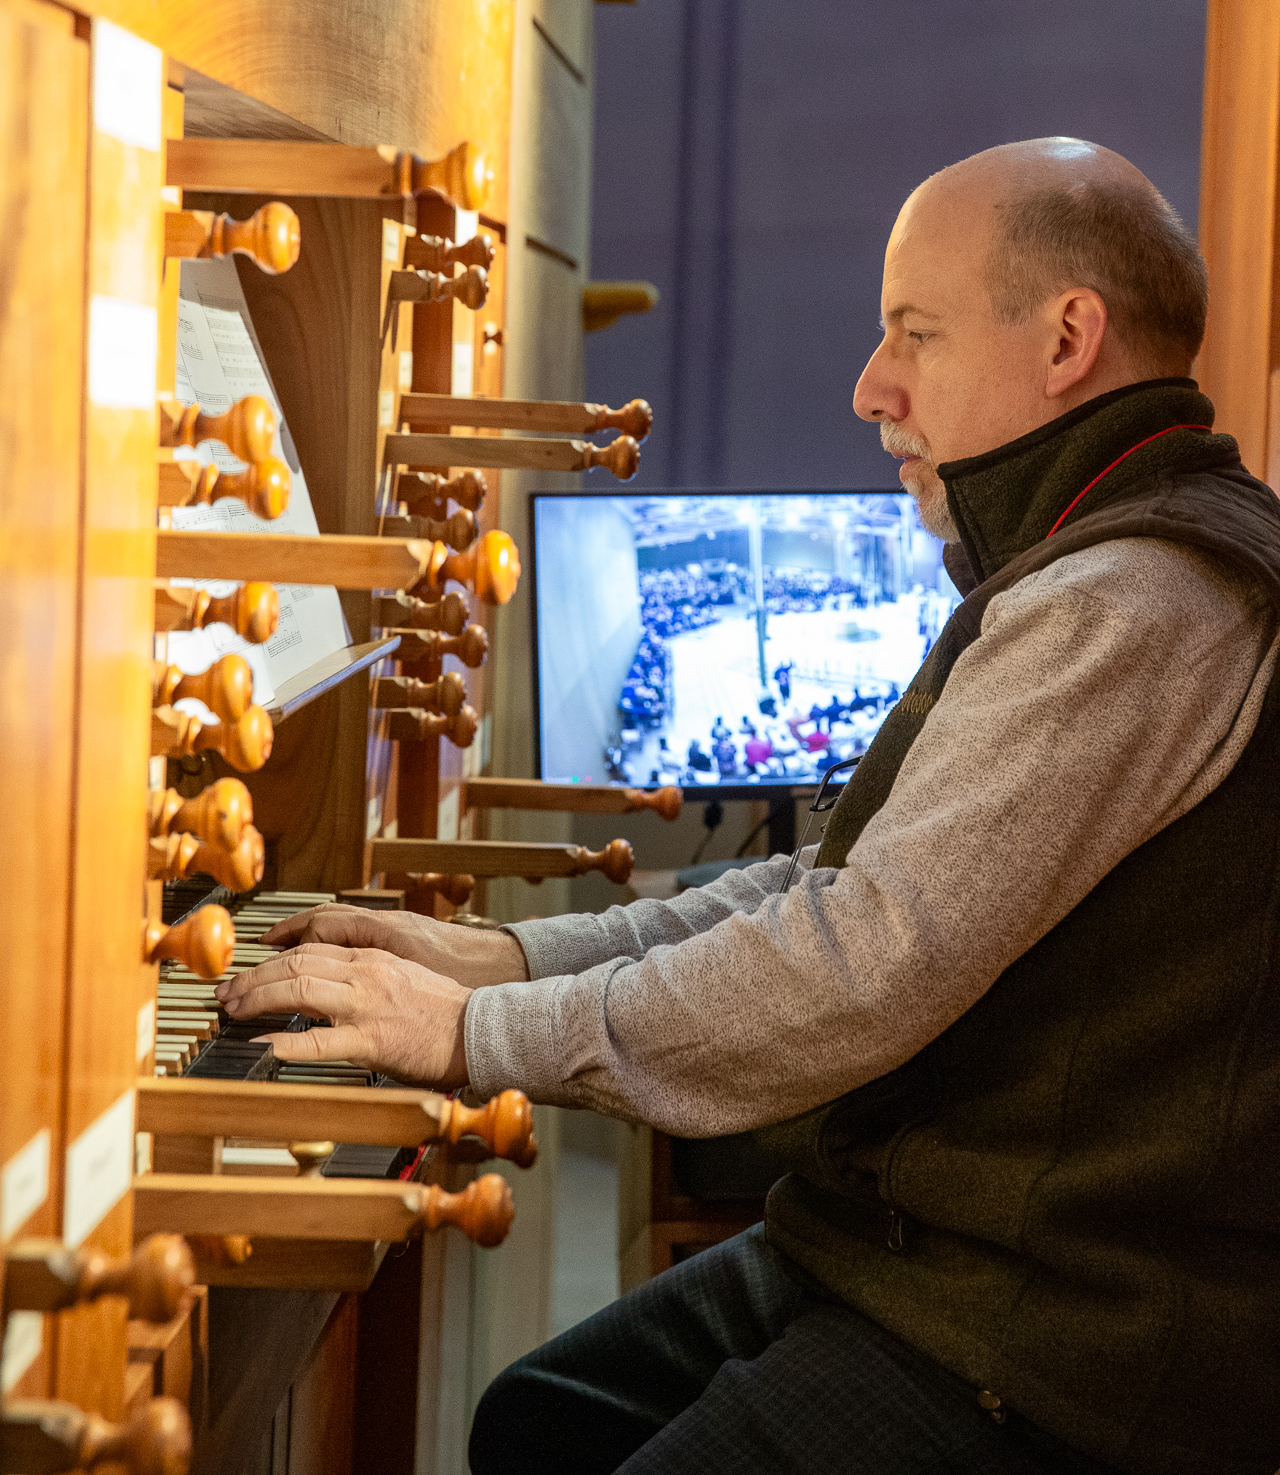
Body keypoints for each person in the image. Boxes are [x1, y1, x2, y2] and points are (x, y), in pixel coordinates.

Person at [218, 138, 1280, 1475]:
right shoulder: (1079, 558)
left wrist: (481, 1032)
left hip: (1056, 1341)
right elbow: (830, 882)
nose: (870, 387)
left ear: (1068, 339)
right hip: (917, 1252)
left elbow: (855, 967)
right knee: (539, 1420)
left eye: (915, 334)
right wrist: (511, 956)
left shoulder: (1130, 603)